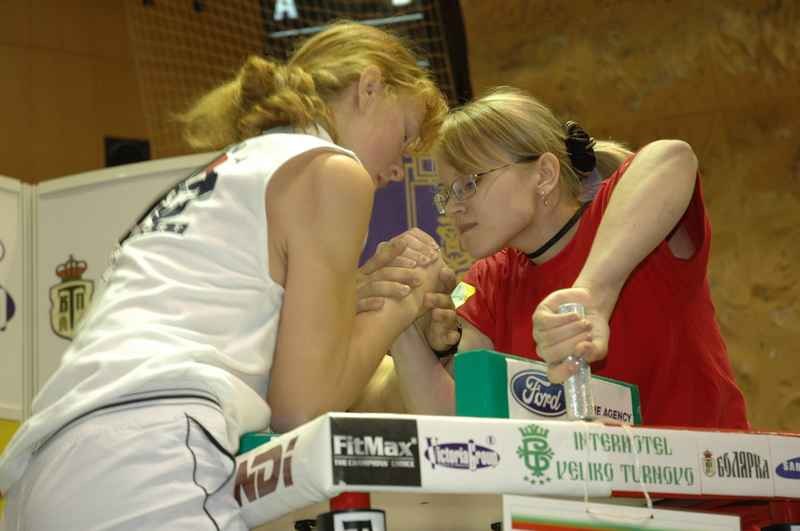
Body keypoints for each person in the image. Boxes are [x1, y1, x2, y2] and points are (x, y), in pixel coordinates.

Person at [0, 21, 449, 530]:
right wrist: (405, 301)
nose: (397, 169)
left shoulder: (229, 169)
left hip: (44, 469)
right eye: (406, 136)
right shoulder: (332, 170)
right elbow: (302, 409)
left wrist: (362, 304)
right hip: (147, 459)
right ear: (369, 88)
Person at [385, 86, 749, 430]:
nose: (453, 208)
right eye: (445, 195)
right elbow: (456, 424)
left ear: (544, 174)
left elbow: (672, 156)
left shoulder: (618, 216)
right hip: (592, 497)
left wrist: (590, 297)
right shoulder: (485, 281)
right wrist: (410, 326)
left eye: (468, 183)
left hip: (707, 492)